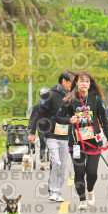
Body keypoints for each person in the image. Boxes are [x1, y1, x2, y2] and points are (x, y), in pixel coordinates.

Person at [56, 71, 108, 210]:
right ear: (76, 83)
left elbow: (103, 120)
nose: (84, 84)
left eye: (87, 81)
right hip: (76, 143)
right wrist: (69, 120)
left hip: (93, 142)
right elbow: (58, 117)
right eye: (81, 81)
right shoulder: (69, 100)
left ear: (90, 84)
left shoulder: (96, 99)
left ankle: (90, 191)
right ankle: (82, 200)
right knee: (79, 171)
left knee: (92, 172)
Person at [28, 70, 75, 202]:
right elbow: (38, 114)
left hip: (66, 136)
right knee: (56, 162)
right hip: (51, 134)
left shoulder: (73, 96)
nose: (74, 85)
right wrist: (32, 132)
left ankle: (58, 191)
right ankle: (53, 191)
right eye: (72, 82)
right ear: (64, 81)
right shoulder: (50, 94)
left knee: (63, 165)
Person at [28, 87, 50, 170]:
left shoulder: (52, 106)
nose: (44, 97)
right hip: (41, 127)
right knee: (43, 143)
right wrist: (30, 127)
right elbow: (33, 117)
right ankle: (43, 162)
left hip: (51, 128)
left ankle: (49, 161)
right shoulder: (38, 106)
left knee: (51, 144)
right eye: (42, 95)